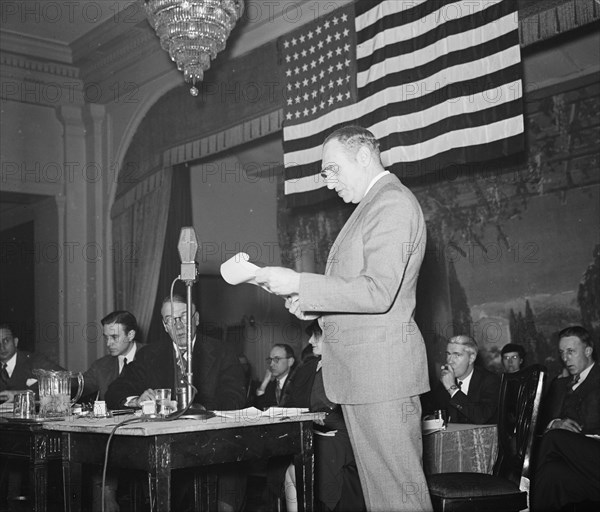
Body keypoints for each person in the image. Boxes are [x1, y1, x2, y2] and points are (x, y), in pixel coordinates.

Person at [255, 125, 432, 511]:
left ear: (365, 156)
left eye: (332, 169)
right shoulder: (371, 208)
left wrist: (302, 280)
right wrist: (312, 305)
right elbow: (361, 291)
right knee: (383, 499)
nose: (327, 181)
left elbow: (378, 291)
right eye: (324, 172)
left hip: (381, 377)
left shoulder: (392, 203)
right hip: (365, 377)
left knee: (399, 499)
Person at [105, 295, 247, 512]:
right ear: (164, 325)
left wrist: (188, 407)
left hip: (216, 451)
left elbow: (235, 398)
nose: (178, 326)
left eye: (183, 317)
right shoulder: (149, 355)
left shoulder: (222, 352)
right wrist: (136, 399)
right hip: (168, 456)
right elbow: (115, 391)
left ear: (197, 318)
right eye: (170, 319)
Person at [283, 321, 365, 512]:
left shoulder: (349, 367)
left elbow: (351, 416)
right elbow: (293, 404)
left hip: (342, 440)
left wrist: (322, 418)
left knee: (295, 472)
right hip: (315, 434)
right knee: (290, 472)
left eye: (316, 335)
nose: (310, 340)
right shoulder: (309, 368)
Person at [532, 325, 600, 511]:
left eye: (571, 351)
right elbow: (538, 423)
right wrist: (556, 423)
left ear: (588, 351)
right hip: (573, 460)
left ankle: (524, 488)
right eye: (562, 352)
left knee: (554, 437)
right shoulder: (560, 385)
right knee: (550, 474)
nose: (565, 358)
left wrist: (559, 431)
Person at [422, 335, 500, 424]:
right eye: (448, 354)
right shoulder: (445, 380)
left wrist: (452, 388)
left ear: (471, 358)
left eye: (457, 355)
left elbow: (481, 417)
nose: (450, 360)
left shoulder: (490, 381)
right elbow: (431, 412)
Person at [81, 310, 143, 402]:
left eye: (114, 337)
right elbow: (78, 386)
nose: (108, 343)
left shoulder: (152, 357)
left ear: (130, 335)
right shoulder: (100, 366)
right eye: (106, 337)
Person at [0, 322, 64, 401]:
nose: (2, 347)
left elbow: (68, 381)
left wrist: (22, 395)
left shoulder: (35, 361)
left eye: (6, 341)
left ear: (15, 342)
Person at [254, 344, 295, 409]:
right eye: (270, 360)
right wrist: (263, 385)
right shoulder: (271, 385)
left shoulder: (298, 383)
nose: (271, 364)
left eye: (277, 359)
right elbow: (260, 409)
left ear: (290, 361)